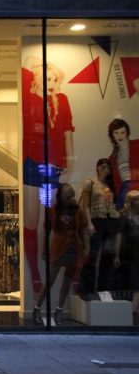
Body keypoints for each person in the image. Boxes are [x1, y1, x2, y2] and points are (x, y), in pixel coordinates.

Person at [21, 58, 75, 295]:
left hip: (52, 166)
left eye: (53, 79)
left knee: (48, 218)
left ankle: (47, 263)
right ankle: (34, 274)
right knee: (31, 220)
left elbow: (68, 133)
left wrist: (70, 162)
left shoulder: (62, 100)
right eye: (46, 79)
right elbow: (25, 63)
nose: (51, 83)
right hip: (32, 164)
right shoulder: (29, 98)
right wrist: (37, 62)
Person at [32, 183, 89, 325]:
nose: (71, 199)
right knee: (50, 281)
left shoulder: (78, 211)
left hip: (74, 246)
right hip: (59, 247)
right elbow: (47, 230)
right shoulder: (53, 210)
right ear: (61, 196)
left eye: (72, 195)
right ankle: (37, 308)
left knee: (67, 281)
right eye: (68, 196)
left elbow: (83, 230)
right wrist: (44, 249)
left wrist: (86, 249)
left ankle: (59, 311)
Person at [79, 159, 122, 299]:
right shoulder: (90, 183)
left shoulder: (109, 185)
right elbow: (85, 205)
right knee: (92, 256)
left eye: (108, 167)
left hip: (110, 222)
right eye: (103, 167)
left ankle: (104, 292)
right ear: (97, 168)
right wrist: (89, 223)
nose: (106, 170)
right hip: (96, 221)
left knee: (107, 257)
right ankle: (86, 291)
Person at [114, 190, 139, 319]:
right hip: (129, 254)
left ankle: (133, 311)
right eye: (136, 199)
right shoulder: (124, 217)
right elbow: (118, 236)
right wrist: (117, 255)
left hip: (136, 252)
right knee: (133, 284)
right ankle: (132, 313)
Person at [108, 119, 139, 209]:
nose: (120, 136)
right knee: (120, 208)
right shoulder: (112, 157)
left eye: (123, 132)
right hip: (125, 187)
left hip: (136, 183)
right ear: (112, 135)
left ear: (127, 133)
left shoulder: (137, 144)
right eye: (116, 133)